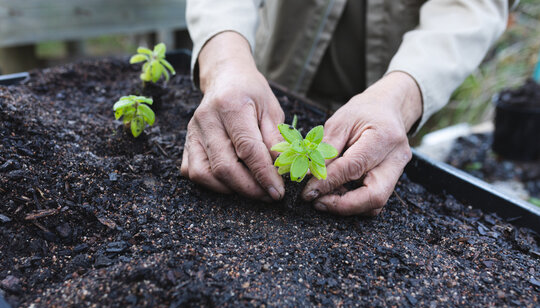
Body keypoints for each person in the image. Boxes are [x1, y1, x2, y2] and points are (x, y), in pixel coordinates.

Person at [181, 0, 510, 216]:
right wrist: (223, 59)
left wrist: (402, 98)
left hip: (392, 89)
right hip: (269, 76)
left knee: (378, 168)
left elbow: (470, 9)